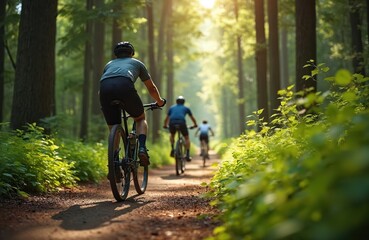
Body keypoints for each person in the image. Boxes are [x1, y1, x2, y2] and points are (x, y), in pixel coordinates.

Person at [99, 41, 165, 166]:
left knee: (114, 126)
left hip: (104, 91)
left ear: (116, 54)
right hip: (125, 86)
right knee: (140, 118)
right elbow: (151, 88)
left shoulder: (109, 64)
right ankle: (142, 148)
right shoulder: (137, 63)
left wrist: (104, 103)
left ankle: (113, 163)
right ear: (131, 53)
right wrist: (159, 101)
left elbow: (102, 87)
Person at [163, 96, 197, 161]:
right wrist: (195, 125)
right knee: (186, 138)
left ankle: (172, 149)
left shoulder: (172, 108)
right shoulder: (186, 108)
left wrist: (165, 125)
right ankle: (187, 154)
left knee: (172, 135)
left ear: (176, 102)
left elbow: (166, 118)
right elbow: (192, 118)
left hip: (172, 123)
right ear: (184, 102)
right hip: (182, 123)